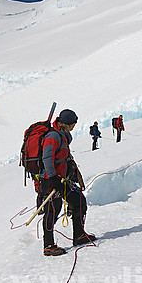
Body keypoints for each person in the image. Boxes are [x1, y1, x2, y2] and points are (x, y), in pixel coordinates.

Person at [35, 109, 96, 256]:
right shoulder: (53, 136)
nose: (75, 125)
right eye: (74, 122)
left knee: (78, 201)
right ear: (68, 123)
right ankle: (48, 245)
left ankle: (79, 236)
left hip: (61, 179)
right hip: (50, 181)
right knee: (52, 210)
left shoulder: (61, 135)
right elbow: (47, 158)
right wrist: (53, 178)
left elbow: (63, 157)